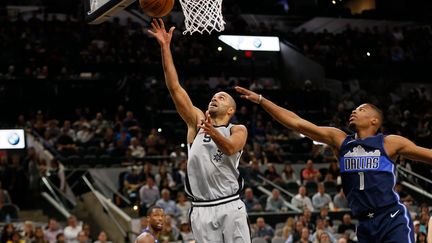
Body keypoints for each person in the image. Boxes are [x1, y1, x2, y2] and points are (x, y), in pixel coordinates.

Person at [235, 86, 432, 242]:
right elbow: (297, 123)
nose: (354, 111)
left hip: (391, 217)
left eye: (361, 109)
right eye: (354, 109)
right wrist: (262, 100)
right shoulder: (341, 140)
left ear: (374, 120)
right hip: (364, 223)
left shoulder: (390, 143)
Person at [149, 19, 251, 243]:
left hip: (230, 203)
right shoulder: (196, 121)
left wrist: (212, 132)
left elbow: (232, 148)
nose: (215, 98)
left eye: (222, 98)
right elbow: (174, 88)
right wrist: (165, 48)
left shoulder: (237, 128)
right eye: (214, 97)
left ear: (231, 110)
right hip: (201, 207)